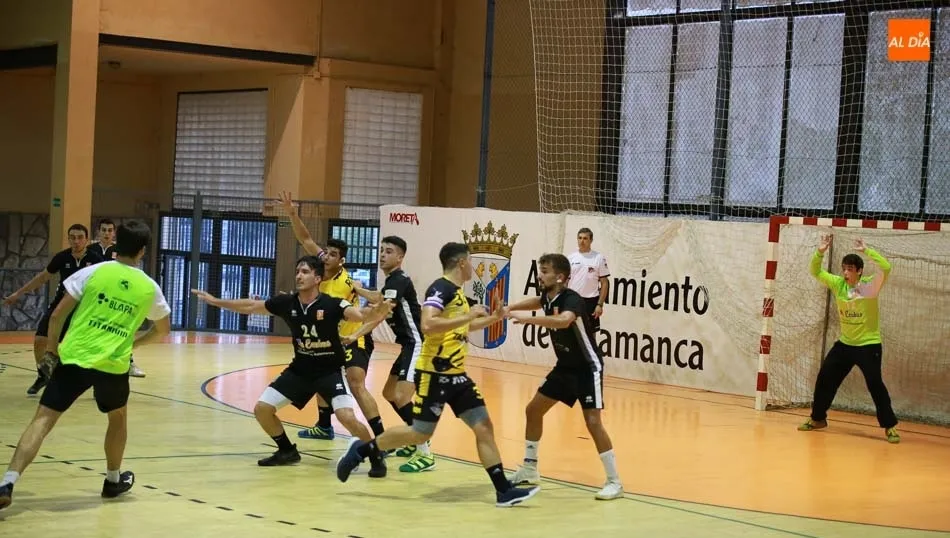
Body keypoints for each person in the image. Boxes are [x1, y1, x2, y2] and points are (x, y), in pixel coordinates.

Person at [336, 242, 540, 507]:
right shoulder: (440, 288)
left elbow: (462, 327)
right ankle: (363, 449)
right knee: (420, 432)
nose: (472, 267)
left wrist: (494, 318)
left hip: (457, 375)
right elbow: (428, 324)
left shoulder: (457, 293)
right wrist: (467, 316)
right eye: (470, 261)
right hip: (434, 373)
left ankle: (503, 491)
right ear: (462, 263)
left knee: (484, 426)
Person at [0, 220, 172, 510]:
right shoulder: (149, 287)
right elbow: (162, 330)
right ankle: (113, 480)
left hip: (74, 357)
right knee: (117, 418)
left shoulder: (94, 271)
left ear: (116, 244)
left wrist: (51, 351)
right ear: (142, 251)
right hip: (112, 367)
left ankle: (8, 481)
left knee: (42, 419)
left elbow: (57, 316)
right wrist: (133, 345)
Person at [191, 256, 392, 472]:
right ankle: (286, 450)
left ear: (317, 278)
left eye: (305, 272)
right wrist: (216, 301)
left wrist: (376, 311)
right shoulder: (287, 303)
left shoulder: (332, 303)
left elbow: (359, 314)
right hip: (300, 371)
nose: (299, 276)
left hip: (329, 372)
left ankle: (376, 455)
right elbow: (251, 306)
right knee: (262, 409)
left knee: (347, 417)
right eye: (297, 271)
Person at [505, 253, 624, 500]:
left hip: (587, 368)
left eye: (545, 271)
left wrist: (527, 320)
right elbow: (537, 301)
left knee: (593, 422)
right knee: (533, 410)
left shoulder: (572, 299)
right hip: (565, 367)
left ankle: (615, 482)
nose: (540, 276)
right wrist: (510, 308)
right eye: (540, 270)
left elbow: (563, 321)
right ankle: (530, 468)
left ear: (560, 277)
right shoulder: (549, 296)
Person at [276, 191, 382, 442]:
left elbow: (371, 302)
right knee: (319, 372)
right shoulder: (318, 269)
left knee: (356, 384)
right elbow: (305, 238)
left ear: (341, 261)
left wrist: (366, 293)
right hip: (331, 340)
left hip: (354, 339)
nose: (326, 256)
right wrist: (292, 213)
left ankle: (380, 436)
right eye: (326, 252)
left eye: (333, 255)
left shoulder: (345, 283)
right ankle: (324, 427)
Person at [798, 235, 900, 443]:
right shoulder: (838, 284)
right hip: (845, 344)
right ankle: (818, 418)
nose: (845, 273)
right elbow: (815, 271)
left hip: (868, 344)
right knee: (825, 377)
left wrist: (867, 251)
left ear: (859, 271)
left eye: (850, 269)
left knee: (875, 383)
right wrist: (820, 251)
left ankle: (889, 426)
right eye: (844, 269)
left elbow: (886, 267)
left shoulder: (870, 286)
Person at [347, 236, 434, 472]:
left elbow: (380, 310)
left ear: (400, 257)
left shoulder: (399, 279)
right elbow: (379, 300)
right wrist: (358, 290)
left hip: (418, 344)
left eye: (389, 251)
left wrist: (355, 334)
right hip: (407, 345)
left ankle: (425, 451)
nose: (383, 255)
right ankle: (413, 437)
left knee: (402, 396)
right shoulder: (392, 283)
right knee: (389, 393)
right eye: (382, 250)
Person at [3, 224, 102, 395]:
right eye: (72, 237)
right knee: (40, 340)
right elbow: (42, 277)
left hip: (84, 308)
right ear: (68, 239)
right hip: (60, 304)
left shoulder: (96, 260)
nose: (76, 241)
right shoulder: (62, 257)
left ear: (86, 239)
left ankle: (97, 382)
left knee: (88, 346)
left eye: (80, 237)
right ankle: (43, 375)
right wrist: (18, 293)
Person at [567, 227, 609, 332]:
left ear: (591, 240)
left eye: (585, 238)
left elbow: (604, 283)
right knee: (572, 334)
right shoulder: (571, 258)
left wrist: (599, 304)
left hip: (591, 302)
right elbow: (565, 282)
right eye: (580, 238)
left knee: (590, 336)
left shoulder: (598, 258)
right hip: (573, 301)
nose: (582, 241)